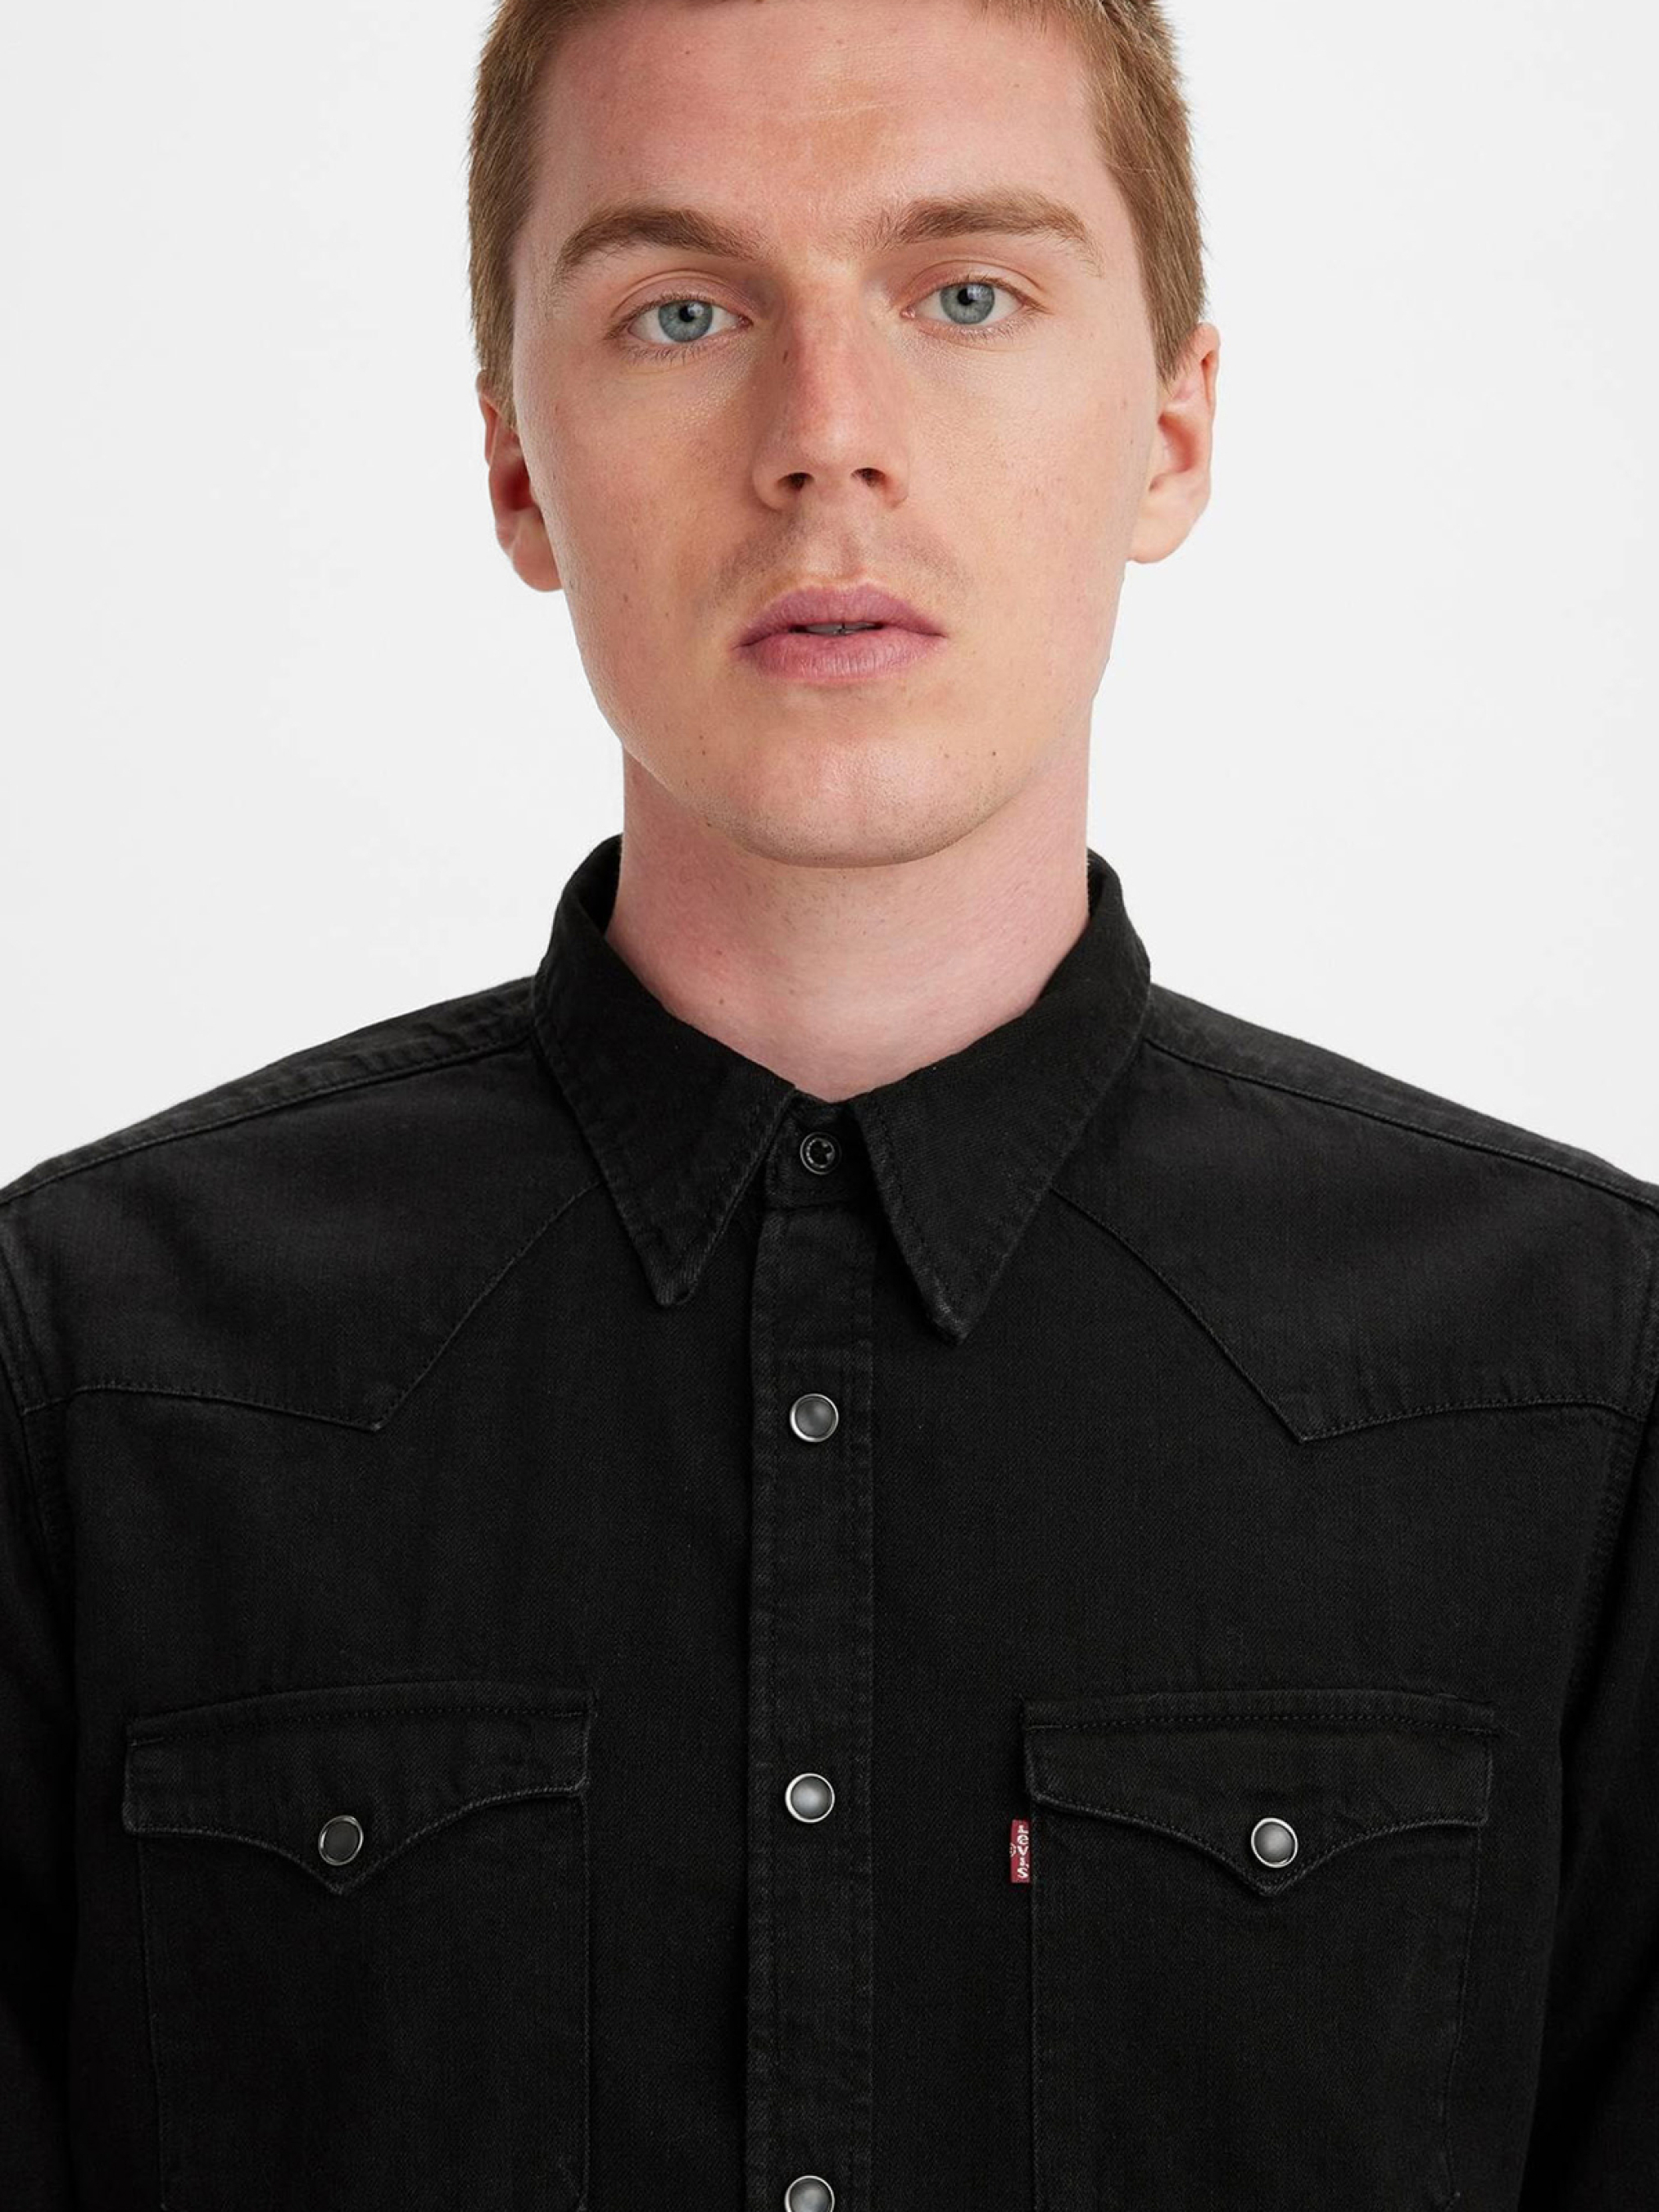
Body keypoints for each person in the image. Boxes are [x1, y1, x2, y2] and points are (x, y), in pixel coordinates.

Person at [2, 0, 1654, 2205]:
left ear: (1171, 428)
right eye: (683, 312)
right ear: (517, 465)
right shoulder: (88, 1368)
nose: (825, 440)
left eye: (964, 295)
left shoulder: (1576, 1383)